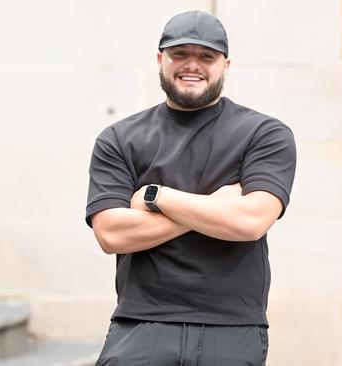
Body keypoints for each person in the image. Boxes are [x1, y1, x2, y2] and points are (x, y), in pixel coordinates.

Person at [86, 10, 296, 365]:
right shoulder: (120, 139)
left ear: (225, 66)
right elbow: (111, 235)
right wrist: (216, 206)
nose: (192, 65)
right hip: (141, 324)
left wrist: (157, 197)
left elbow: (250, 222)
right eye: (180, 54)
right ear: (160, 60)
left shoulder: (264, 134)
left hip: (232, 326)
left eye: (206, 56)